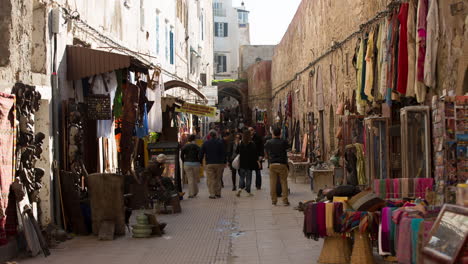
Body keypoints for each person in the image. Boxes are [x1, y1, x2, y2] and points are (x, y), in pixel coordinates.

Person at [264, 127, 290, 206]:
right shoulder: (283, 142)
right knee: (284, 182)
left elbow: (265, 149)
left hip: (273, 164)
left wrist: (267, 156)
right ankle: (285, 200)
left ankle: (274, 200)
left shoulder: (269, 142)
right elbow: (289, 147)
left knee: (273, 183)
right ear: (280, 134)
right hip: (282, 164)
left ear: (273, 133)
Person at [199, 130, 226, 199]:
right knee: (218, 178)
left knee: (211, 179)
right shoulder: (220, 143)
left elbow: (201, 153)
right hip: (219, 163)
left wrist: (200, 162)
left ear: (209, 136)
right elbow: (224, 153)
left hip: (209, 164)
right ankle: (218, 193)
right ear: (216, 135)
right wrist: (224, 162)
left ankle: (212, 194)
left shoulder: (205, 143)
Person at [236, 130, 259, 197]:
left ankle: (240, 188)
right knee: (248, 178)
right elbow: (255, 154)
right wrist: (257, 161)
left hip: (242, 163)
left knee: (241, 177)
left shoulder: (240, 143)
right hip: (250, 163)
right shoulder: (252, 144)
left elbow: (237, 151)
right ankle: (248, 191)